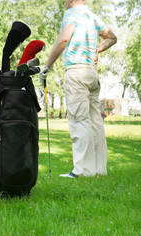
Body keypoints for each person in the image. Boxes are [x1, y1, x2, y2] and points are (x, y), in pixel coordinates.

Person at [39, 0, 117, 178]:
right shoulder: (92, 17)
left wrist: (47, 66)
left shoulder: (71, 14)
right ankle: (99, 170)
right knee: (95, 122)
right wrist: (98, 48)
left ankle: (82, 172)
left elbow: (64, 39)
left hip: (76, 72)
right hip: (91, 73)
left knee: (79, 120)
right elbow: (112, 37)